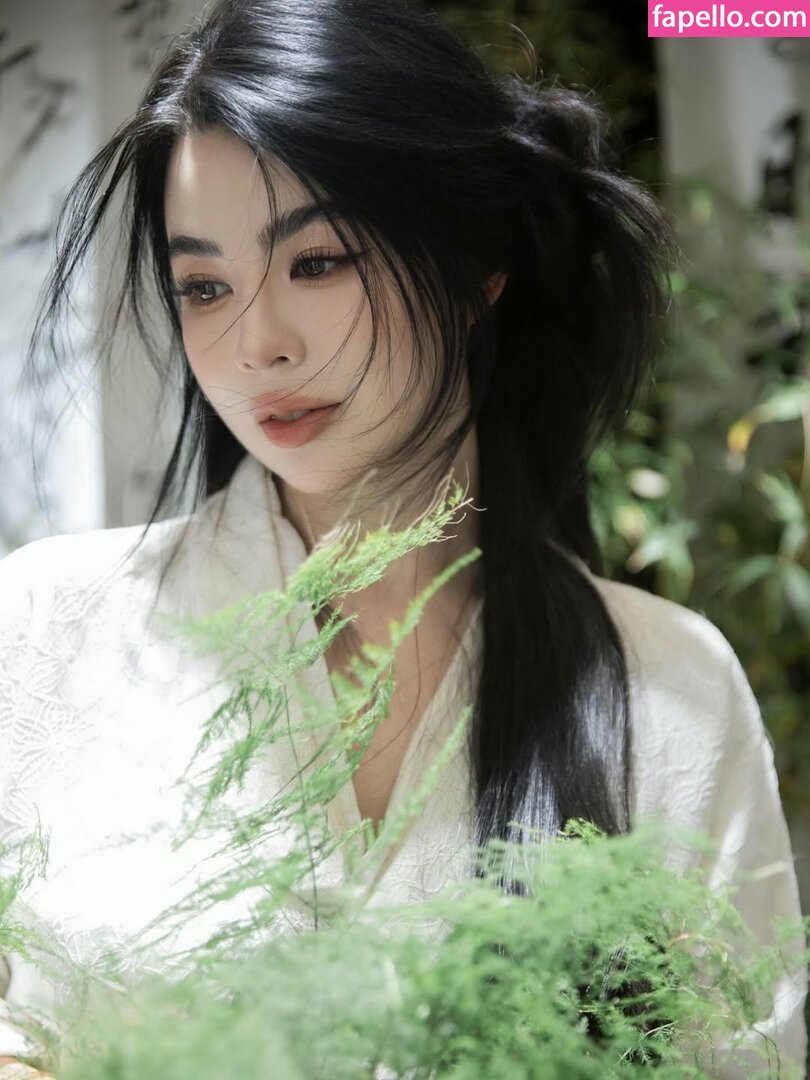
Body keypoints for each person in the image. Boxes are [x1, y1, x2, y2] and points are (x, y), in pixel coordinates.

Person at [0, 0, 806, 1076]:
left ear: (476, 266)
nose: (258, 345)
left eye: (319, 260)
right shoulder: (46, 628)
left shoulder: (668, 690)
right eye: (205, 286)